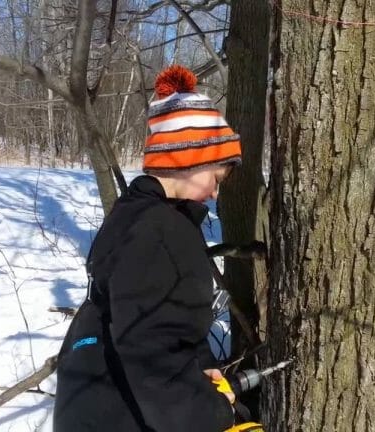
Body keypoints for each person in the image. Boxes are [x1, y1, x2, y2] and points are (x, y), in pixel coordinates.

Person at [54, 65, 241, 432]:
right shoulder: (160, 233)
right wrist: (214, 414)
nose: (215, 194)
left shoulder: (135, 212)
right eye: (215, 178)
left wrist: (202, 361)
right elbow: (154, 360)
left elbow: (155, 321)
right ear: (191, 159)